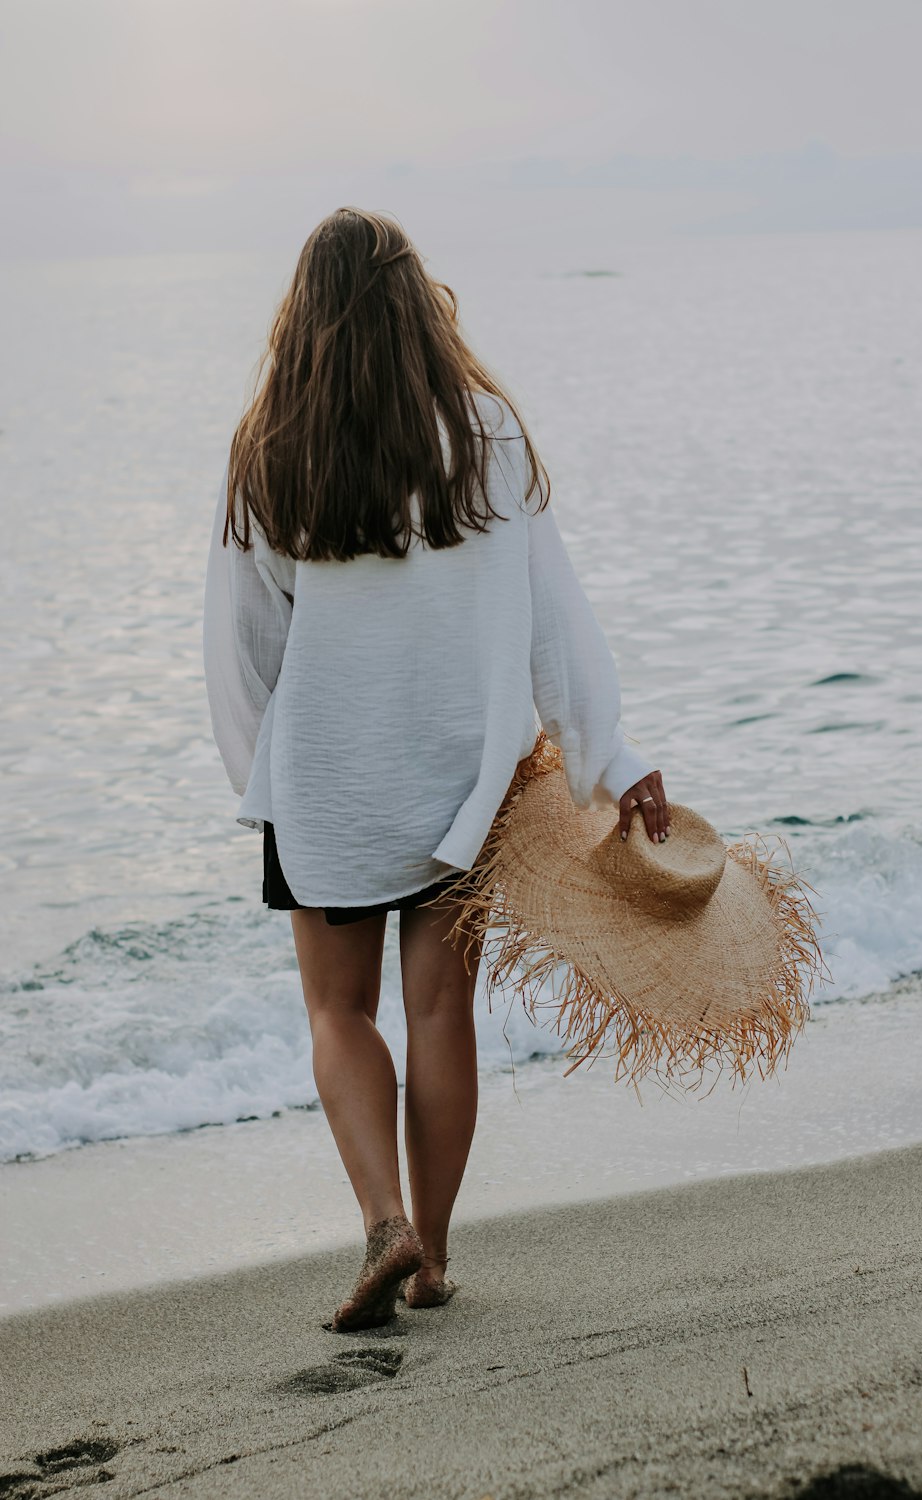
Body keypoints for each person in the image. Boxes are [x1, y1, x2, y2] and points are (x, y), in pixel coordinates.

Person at [202, 206, 668, 1332]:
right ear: (419, 302)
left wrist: (261, 779)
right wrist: (611, 759)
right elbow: (554, 621)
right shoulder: (489, 435)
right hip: (459, 779)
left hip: (325, 781)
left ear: (301, 317)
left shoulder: (272, 449)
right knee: (438, 1009)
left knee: (336, 1011)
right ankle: (434, 1258)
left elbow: (241, 647)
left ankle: (381, 1219)